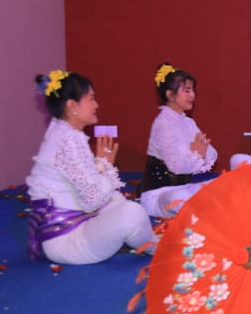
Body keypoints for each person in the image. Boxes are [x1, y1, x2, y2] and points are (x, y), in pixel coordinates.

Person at [26, 70, 155, 265]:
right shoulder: (68, 140)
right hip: (67, 240)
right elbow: (92, 201)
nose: (97, 105)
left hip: (68, 231)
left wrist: (101, 165)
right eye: (91, 99)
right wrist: (106, 164)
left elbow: (81, 183)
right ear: (72, 106)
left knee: (117, 201)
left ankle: (151, 242)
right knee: (132, 213)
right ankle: (158, 248)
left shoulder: (63, 131)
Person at [138, 63, 218, 218]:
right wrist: (197, 155)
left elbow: (212, 153)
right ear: (170, 95)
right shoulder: (163, 124)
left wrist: (198, 154)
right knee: (182, 199)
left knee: (221, 186)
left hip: (184, 187)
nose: (192, 95)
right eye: (187, 91)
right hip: (159, 194)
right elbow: (177, 167)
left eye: (193, 90)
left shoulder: (188, 122)